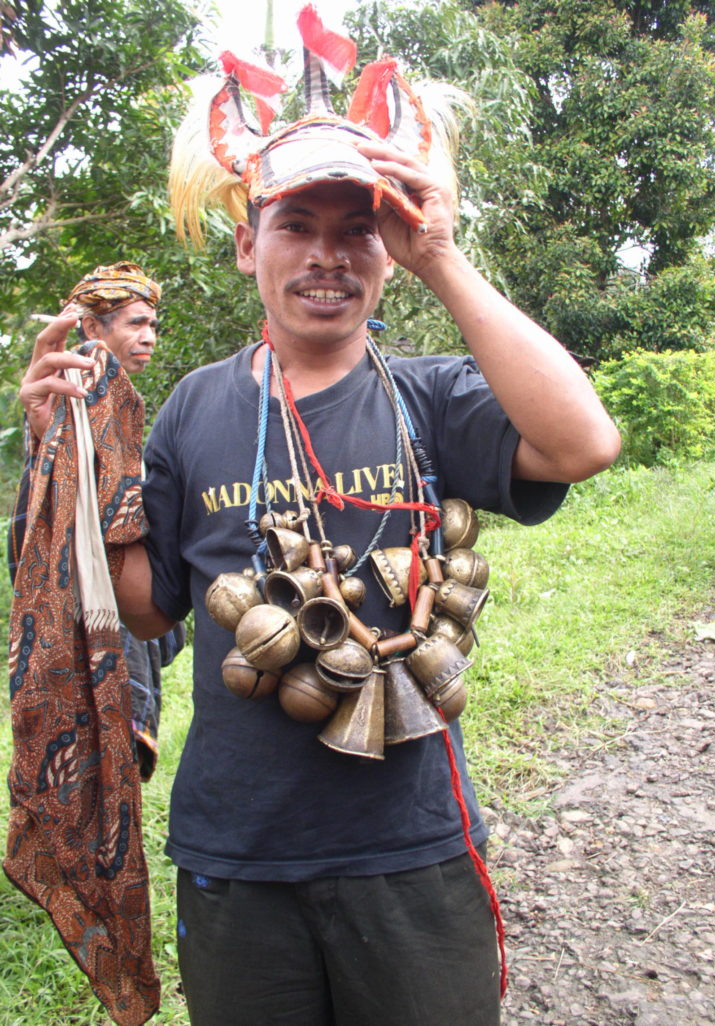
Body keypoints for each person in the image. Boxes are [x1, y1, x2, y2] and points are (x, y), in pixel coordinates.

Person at [11, 10, 621, 1026]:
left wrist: (441, 259)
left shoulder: (431, 395)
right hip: (237, 853)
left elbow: (583, 445)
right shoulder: (197, 406)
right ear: (249, 242)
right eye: (297, 226)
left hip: (410, 847)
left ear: (388, 247)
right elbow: (151, 607)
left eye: (359, 230)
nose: (327, 256)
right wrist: (67, 455)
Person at [7, 261, 185, 780]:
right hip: (94, 601)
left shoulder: (111, 392)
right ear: (91, 327)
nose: (148, 336)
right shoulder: (85, 381)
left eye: (153, 324)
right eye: (134, 323)